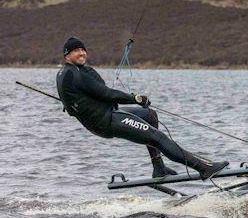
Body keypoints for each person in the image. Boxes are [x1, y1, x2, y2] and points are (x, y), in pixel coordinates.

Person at [56, 36, 228, 180]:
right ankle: (204, 168)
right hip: (106, 121)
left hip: (107, 115)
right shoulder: (76, 74)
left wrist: (74, 103)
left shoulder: (68, 73)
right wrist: (135, 98)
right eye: (76, 50)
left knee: (149, 115)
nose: (81, 53)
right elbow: (107, 94)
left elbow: (73, 104)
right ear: (66, 56)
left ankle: (159, 167)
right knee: (157, 137)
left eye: (83, 49)